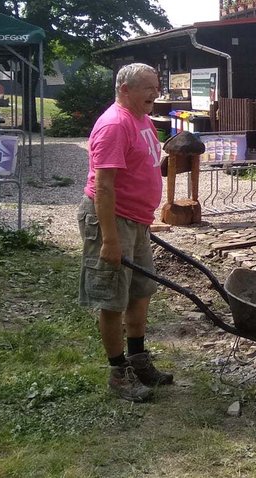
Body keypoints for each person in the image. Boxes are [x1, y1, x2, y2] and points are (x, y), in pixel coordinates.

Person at [78, 63, 172, 403]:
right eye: (148, 87)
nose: (155, 92)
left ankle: (138, 358)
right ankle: (119, 373)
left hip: (137, 220)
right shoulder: (114, 125)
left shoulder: (143, 119)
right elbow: (104, 188)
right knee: (113, 298)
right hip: (112, 220)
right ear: (124, 89)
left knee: (139, 292)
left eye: (156, 85)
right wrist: (110, 239)